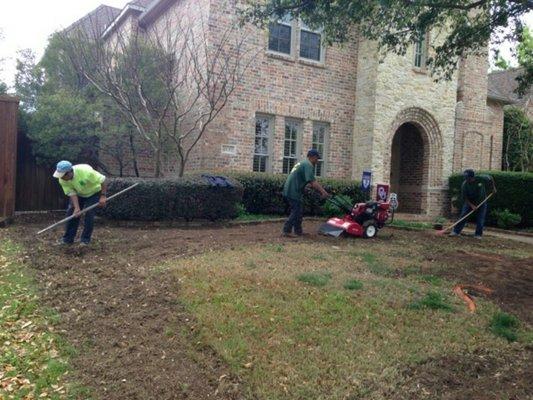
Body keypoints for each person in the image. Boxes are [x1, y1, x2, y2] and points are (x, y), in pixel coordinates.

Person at [53, 161, 107, 245]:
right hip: (79, 193)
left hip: (94, 193)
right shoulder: (62, 180)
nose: (61, 178)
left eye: (63, 175)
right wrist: (77, 208)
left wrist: (103, 196)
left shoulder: (86, 172)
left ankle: (85, 240)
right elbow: (71, 193)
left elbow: (103, 180)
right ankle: (67, 239)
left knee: (89, 214)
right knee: (72, 213)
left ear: (70, 172)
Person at [282, 149, 330, 237]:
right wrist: (323, 192)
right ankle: (286, 231)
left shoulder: (302, 163)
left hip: (291, 189)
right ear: (312, 157)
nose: (317, 161)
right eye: (316, 158)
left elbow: (303, 179)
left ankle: (298, 231)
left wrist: (307, 186)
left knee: (299, 211)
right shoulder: (308, 165)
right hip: (293, 190)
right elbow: (313, 182)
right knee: (296, 211)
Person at [450, 169, 496, 239]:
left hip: (482, 202)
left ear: (472, 177)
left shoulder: (481, 178)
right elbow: (465, 198)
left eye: (468, 178)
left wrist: (493, 188)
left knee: (481, 219)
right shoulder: (464, 185)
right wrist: (472, 205)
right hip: (469, 202)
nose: (466, 180)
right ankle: (456, 231)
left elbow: (490, 178)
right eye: (465, 178)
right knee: (463, 216)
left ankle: (478, 235)